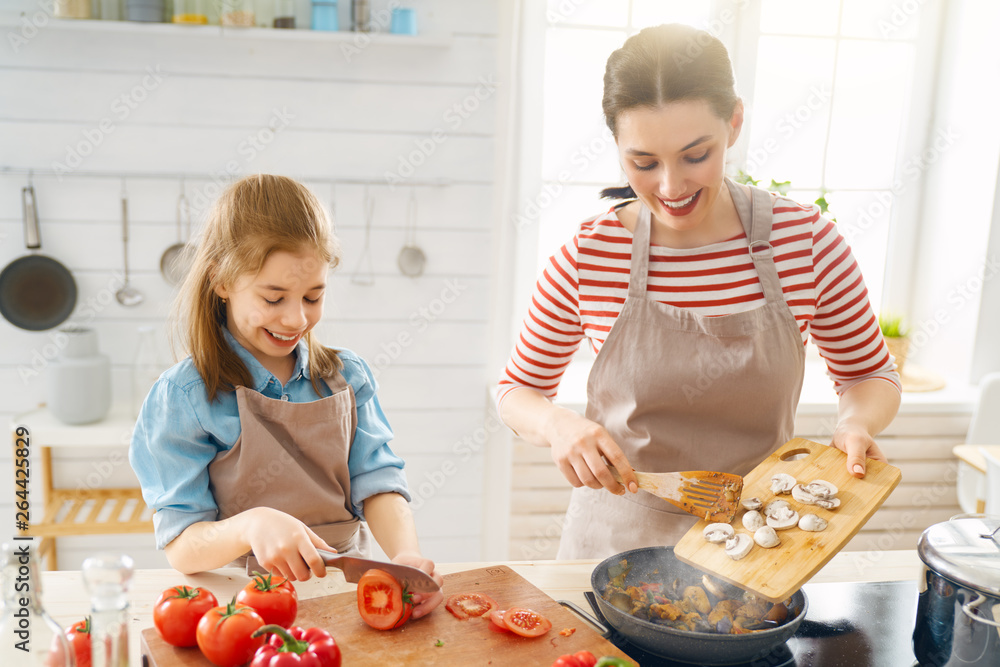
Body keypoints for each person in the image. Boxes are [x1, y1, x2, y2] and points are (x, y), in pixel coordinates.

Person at [497, 24, 901, 559]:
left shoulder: (805, 242)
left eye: (695, 156)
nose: (670, 187)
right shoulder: (592, 254)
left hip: (759, 543)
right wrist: (556, 423)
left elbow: (869, 372)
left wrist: (855, 423)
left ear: (733, 121)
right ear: (617, 146)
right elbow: (516, 390)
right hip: (614, 545)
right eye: (643, 163)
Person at [130, 174, 443, 616]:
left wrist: (404, 557)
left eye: (313, 297)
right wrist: (252, 524)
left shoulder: (346, 376)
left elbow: (378, 483)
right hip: (238, 603)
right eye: (273, 298)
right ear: (221, 279)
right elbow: (183, 545)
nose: (296, 319)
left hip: (347, 594)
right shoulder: (185, 396)